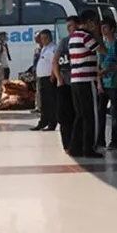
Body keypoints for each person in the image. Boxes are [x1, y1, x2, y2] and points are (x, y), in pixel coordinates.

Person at [68, 10, 107, 158]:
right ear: (90, 22)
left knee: (80, 115)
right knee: (90, 115)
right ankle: (88, 148)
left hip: (75, 80)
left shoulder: (73, 37)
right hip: (86, 80)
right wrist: (96, 34)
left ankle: (75, 146)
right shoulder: (86, 37)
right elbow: (103, 50)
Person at [97, 18, 117, 149]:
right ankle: (100, 139)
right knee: (100, 112)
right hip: (103, 83)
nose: (103, 31)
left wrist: (111, 69)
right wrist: (99, 82)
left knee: (115, 112)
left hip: (115, 82)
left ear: (112, 29)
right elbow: (97, 65)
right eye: (102, 28)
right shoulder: (100, 45)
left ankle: (115, 141)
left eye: (106, 28)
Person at [53, 16, 77, 152]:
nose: (69, 29)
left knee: (77, 114)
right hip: (65, 84)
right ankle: (67, 144)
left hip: (78, 83)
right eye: (67, 27)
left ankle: (76, 143)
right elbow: (55, 61)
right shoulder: (64, 42)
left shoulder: (83, 40)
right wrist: (59, 79)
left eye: (71, 26)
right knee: (64, 116)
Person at [32, 30, 58, 131]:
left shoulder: (53, 48)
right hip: (42, 78)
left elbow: (54, 63)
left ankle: (52, 123)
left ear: (48, 37)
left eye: (43, 38)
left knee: (51, 102)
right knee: (44, 103)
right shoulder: (44, 48)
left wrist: (53, 75)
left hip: (49, 78)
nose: (42, 40)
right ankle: (43, 122)